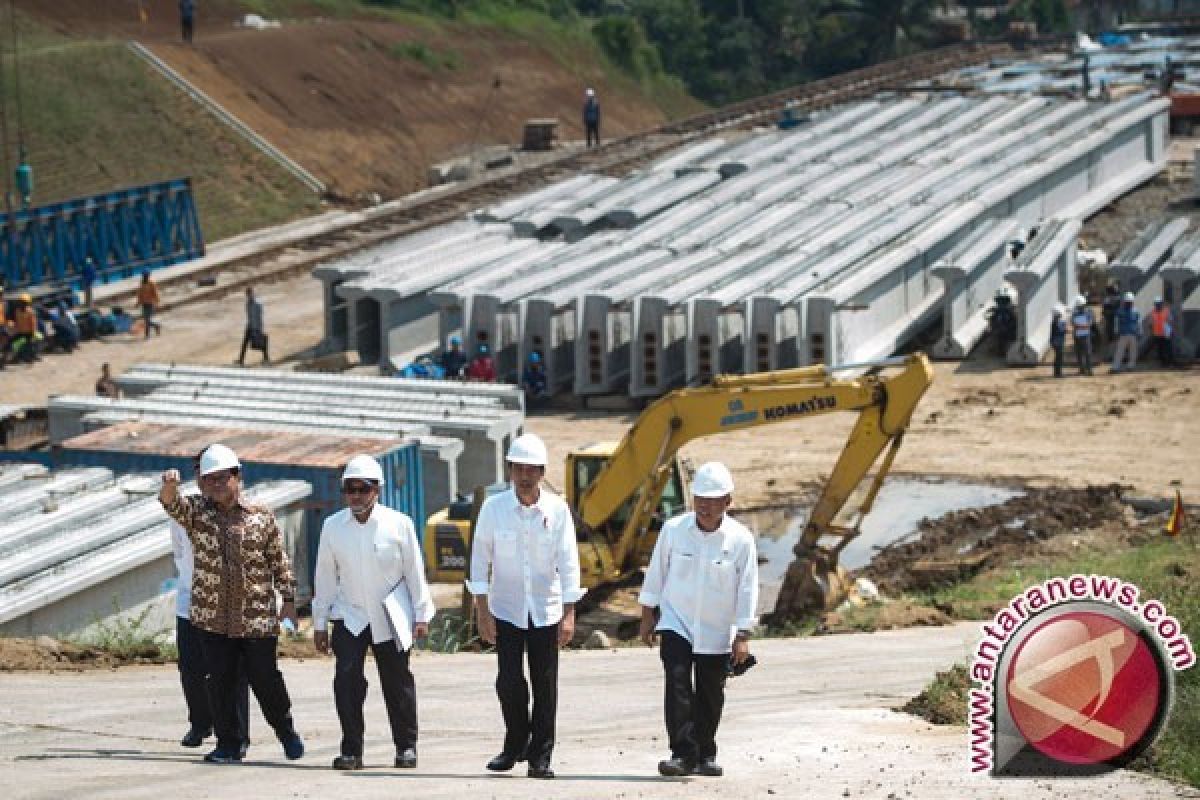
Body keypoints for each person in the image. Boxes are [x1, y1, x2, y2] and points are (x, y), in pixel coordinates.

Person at [159, 444, 305, 764]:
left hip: (256, 617)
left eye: (221, 478)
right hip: (211, 617)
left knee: (265, 680)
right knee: (220, 682)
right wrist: (169, 486)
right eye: (208, 479)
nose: (215, 485)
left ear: (237, 477)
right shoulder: (197, 512)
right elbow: (171, 504)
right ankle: (229, 743)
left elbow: (279, 561)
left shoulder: (260, 517)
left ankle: (286, 730)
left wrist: (289, 601)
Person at [467, 433, 585, 780]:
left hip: (546, 611)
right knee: (508, 682)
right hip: (506, 610)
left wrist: (569, 612)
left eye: (531, 469)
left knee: (545, 685)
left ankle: (540, 756)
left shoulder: (557, 510)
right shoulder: (494, 509)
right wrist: (482, 610)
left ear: (541, 472)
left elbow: (569, 562)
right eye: (518, 468)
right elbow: (479, 562)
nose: (524, 475)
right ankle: (515, 743)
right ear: (510, 470)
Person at [312, 455, 435, 771]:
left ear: (376, 490)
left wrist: (421, 615)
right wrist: (319, 623)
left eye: (362, 489)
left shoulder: (399, 524)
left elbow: (414, 572)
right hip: (350, 614)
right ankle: (352, 751)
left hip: (390, 615)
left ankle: (406, 747)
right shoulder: (333, 527)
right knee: (346, 681)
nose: (355, 496)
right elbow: (325, 576)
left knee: (397, 683)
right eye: (349, 489)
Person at [638, 462, 758, 778]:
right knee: (677, 681)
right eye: (699, 499)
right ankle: (682, 753)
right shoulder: (673, 530)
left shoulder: (741, 540)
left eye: (712, 500)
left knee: (710, 693)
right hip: (676, 621)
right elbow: (656, 572)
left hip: (718, 629)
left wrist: (743, 633)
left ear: (727, 503)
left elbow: (748, 587)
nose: (704, 506)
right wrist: (647, 614)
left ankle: (706, 753)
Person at [171, 452, 251, 754]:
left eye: (219, 475)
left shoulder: (244, 511)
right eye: (203, 474)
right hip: (191, 600)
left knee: (232, 672)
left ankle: (236, 736)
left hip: (229, 604)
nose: (211, 481)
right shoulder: (184, 511)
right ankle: (200, 723)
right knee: (191, 667)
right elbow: (179, 553)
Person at [237, 287, 269, 366]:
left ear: (252, 293)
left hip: (256, 327)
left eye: (249, 294)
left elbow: (259, 317)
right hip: (250, 326)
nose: (248, 296)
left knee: (260, 343)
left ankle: (266, 357)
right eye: (247, 295)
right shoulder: (248, 304)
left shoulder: (258, 304)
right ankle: (241, 360)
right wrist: (248, 325)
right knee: (245, 342)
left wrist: (259, 328)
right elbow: (249, 316)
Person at [1111, 292, 1140, 374]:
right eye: (1127, 302)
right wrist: (1116, 331)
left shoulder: (1136, 311)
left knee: (1133, 351)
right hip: (1123, 334)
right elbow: (1116, 322)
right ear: (1124, 302)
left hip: (1133, 333)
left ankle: (1131, 366)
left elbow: (1138, 322)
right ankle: (1115, 367)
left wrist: (1140, 331)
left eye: (1130, 302)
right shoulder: (1120, 311)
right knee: (1119, 351)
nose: (1128, 303)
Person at [11, 293, 40, 363]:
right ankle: (19, 356)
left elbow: (33, 323)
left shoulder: (30, 312)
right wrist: (14, 329)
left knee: (30, 344)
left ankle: (31, 357)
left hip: (29, 332)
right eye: (22, 302)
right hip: (20, 332)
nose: (23, 304)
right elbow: (17, 322)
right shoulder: (17, 311)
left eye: (24, 303)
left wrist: (33, 332)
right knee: (13, 343)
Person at [1070, 295, 1094, 376]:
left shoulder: (1088, 312)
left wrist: (1080, 326)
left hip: (1084, 335)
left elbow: (1090, 323)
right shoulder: (1075, 313)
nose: (1080, 308)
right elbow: (1073, 323)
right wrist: (1082, 326)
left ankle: (1089, 369)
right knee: (1080, 353)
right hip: (1079, 335)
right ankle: (1082, 369)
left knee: (1087, 353)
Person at [1147, 297, 1175, 368]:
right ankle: (1163, 363)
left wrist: (1171, 331)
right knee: (1160, 349)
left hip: (1166, 334)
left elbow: (1171, 321)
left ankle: (1170, 363)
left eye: (1159, 304)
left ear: (1161, 304)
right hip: (1157, 334)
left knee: (1168, 349)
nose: (1158, 306)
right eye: (1157, 304)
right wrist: (1152, 329)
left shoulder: (1166, 311)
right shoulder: (1152, 312)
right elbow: (1150, 323)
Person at [135, 271, 161, 338]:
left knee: (147, 320)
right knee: (146, 319)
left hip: (150, 303)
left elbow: (155, 293)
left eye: (146, 275)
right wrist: (138, 303)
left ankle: (147, 334)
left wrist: (157, 302)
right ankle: (156, 326)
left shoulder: (151, 283)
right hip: (144, 304)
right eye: (144, 275)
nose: (145, 276)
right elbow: (139, 294)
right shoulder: (141, 284)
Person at [1101, 282, 1120, 347]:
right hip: (1110, 314)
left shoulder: (1112, 298)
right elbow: (1105, 306)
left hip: (1112, 314)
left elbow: (1107, 306)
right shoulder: (1110, 298)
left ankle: (1111, 339)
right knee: (1110, 327)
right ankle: (1111, 339)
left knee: (1111, 327)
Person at [1049, 305, 1067, 378]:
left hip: (1057, 341)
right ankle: (1058, 373)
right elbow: (1061, 330)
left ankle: (1057, 372)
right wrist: (1065, 329)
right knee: (1059, 357)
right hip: (1057, 341)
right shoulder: (1056, 322)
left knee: (1058, 357)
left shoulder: (1055, 321)